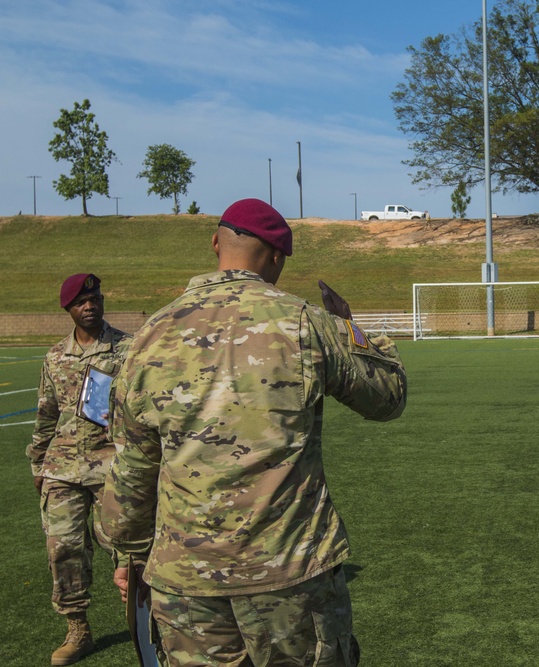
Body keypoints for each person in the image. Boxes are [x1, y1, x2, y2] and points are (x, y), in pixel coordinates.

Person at [101, 198, 407, 666]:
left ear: (214, 244)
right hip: (288, 573)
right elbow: (388, 398)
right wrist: (350, 326)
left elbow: (133, 467)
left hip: (185, 581)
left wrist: (129, 553)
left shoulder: (147, 335)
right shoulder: (305, 322)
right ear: (278, 258)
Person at [27, 273, 131, 666]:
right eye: (81, 302)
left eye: (96, 298)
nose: (90, 306)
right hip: (63, 467)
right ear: (68, 309)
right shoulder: (55, 356)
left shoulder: (127, 349)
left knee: (125, 547)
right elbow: (46, 415)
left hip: (113, 464)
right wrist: (38, 462)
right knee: (63, 548)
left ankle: (144, 619)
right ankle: (78, 630)